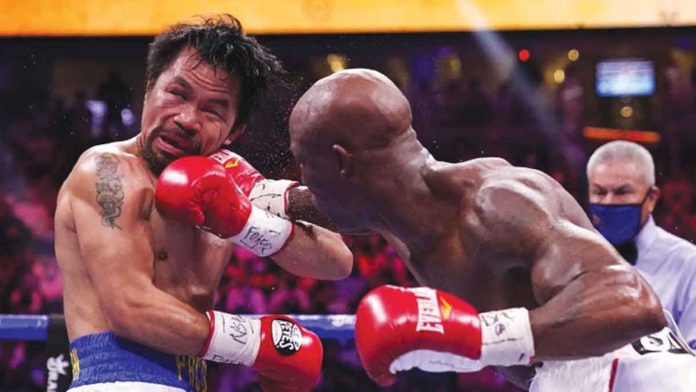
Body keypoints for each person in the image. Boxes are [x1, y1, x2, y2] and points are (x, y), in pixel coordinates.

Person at [287, 68, 696, 391]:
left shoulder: (495, 203)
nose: (301, 175)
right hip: (570, 376)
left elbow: (634, 303)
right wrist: (261, 200)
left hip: (631, 372)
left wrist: (475, 336)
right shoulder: (398, 212)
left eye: (303, 161)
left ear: (342, 163)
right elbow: (332, 204)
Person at [54, 15, 352, 392]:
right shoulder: (107, 171)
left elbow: (336, 260)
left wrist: (244, 223)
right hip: (116, 381)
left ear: (235, 129)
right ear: (149, 89)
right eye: (177, 94)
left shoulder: (226, 177)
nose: (186, 119)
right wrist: (255, 344)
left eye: (212, 110)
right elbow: (130, 307)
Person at [587, 140, 696, 349]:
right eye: (599, 192)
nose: (609, 202)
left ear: (652, 197)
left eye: (622, 192)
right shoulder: (575, 258)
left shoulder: (689, 264)